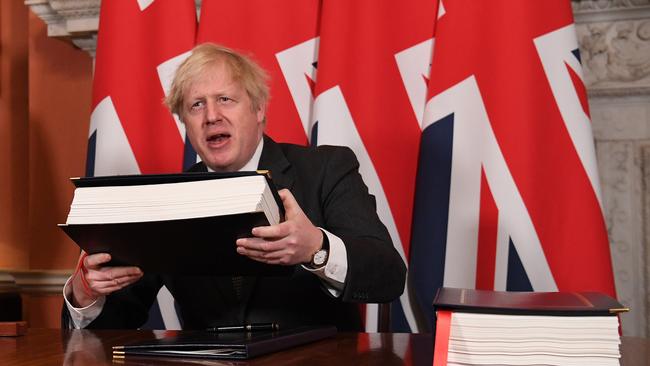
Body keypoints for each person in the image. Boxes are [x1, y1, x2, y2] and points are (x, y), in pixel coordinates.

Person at [62, 43, 406, 331]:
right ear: (185, 123)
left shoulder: (327, 169)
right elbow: (119, 319)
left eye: (225, 99)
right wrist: (85, 293)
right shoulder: (167, 199)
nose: (211, 115)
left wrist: (316, 248)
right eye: (196, 105)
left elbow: (388, 276)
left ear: (259, 109)